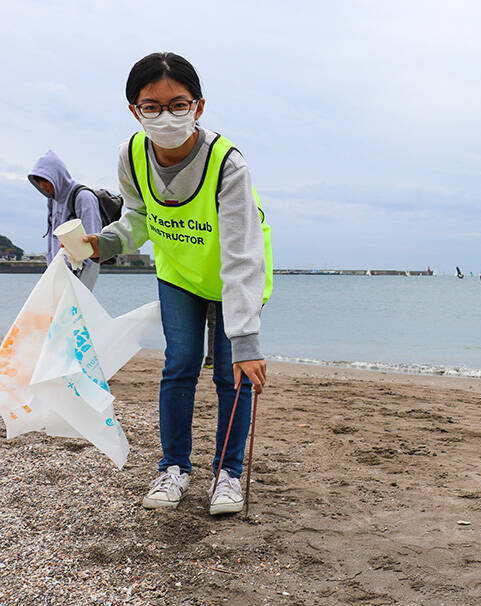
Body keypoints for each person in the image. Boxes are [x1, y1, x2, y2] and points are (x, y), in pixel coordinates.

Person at [81, 52, 273, 515]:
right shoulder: (132, 154)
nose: (166, 115)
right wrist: (105, 243)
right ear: (135, 110)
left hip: (235, 279)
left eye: (178, 104)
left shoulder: (227, 164)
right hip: (179, 274)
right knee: (180, 364)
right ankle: (174, 469)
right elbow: (141, 217)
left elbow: (242, 254)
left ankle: (227, 476)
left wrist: (246, 338)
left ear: (198, 107)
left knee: (233, 372)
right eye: (152, 106)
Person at [28, 151, 103, 290]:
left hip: (81, 271)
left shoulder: (83, 197)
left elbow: (93, 238)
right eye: (39, 182)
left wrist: (72, 270)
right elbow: (52, 238)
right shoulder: (52, 200)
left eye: (45, 180)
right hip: (58, 272)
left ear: (57, 176)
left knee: (76, 310)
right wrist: (52, 269)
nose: (42, 186)